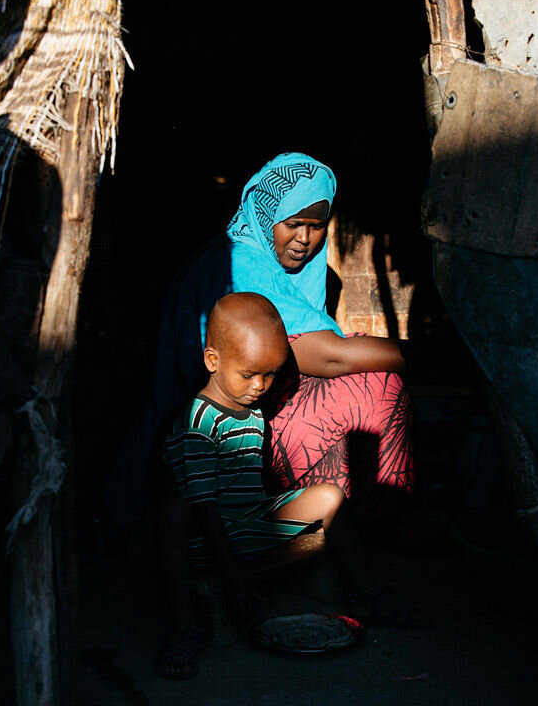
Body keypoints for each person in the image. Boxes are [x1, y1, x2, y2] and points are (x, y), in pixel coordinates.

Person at [108, 151, 414, 535]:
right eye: (293, 223)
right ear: (266, 215)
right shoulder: (244, 265)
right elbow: (328, 357)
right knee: (373, 387)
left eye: (317, 226)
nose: (304, 239)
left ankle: (342, 521)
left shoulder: (269, 263)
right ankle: (352, 523)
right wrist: (419, 356)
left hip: (242, 408)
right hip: (202, 424)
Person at [155, 292, 404, 679]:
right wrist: (234, 578)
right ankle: (183, 623)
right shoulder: (198, 422)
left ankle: (366, 594)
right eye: (250, 374)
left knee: (331, 497)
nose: (260, 386)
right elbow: (205, 509)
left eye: (269, 374)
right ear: (212, 360)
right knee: (174, 512)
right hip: (207, 540)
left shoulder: (251, 413)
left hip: (252, 524)